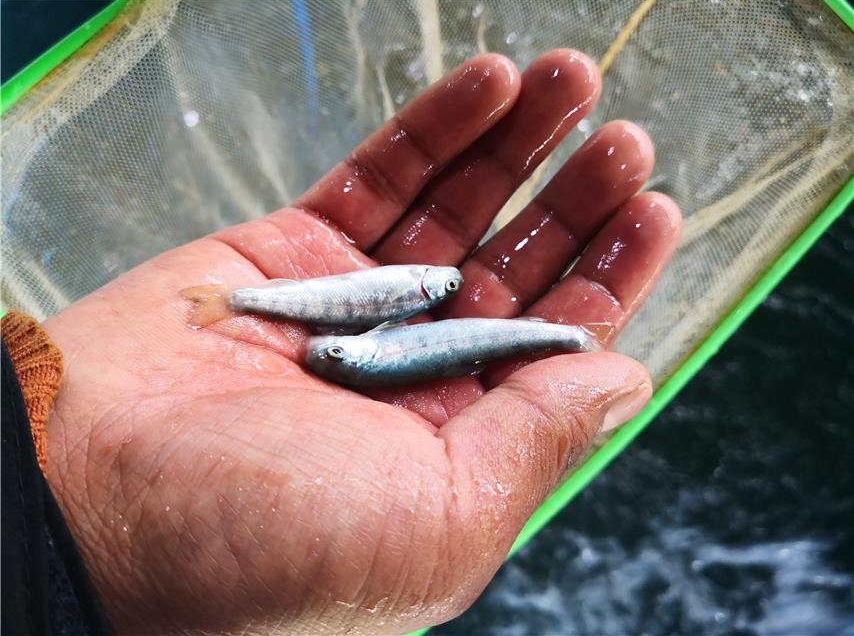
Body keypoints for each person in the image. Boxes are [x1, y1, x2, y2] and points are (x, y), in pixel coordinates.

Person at [2, 50, 681, 635]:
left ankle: (560, 336)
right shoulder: (404, 310)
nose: (445, 285)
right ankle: (563, 336)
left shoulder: (401, 315)